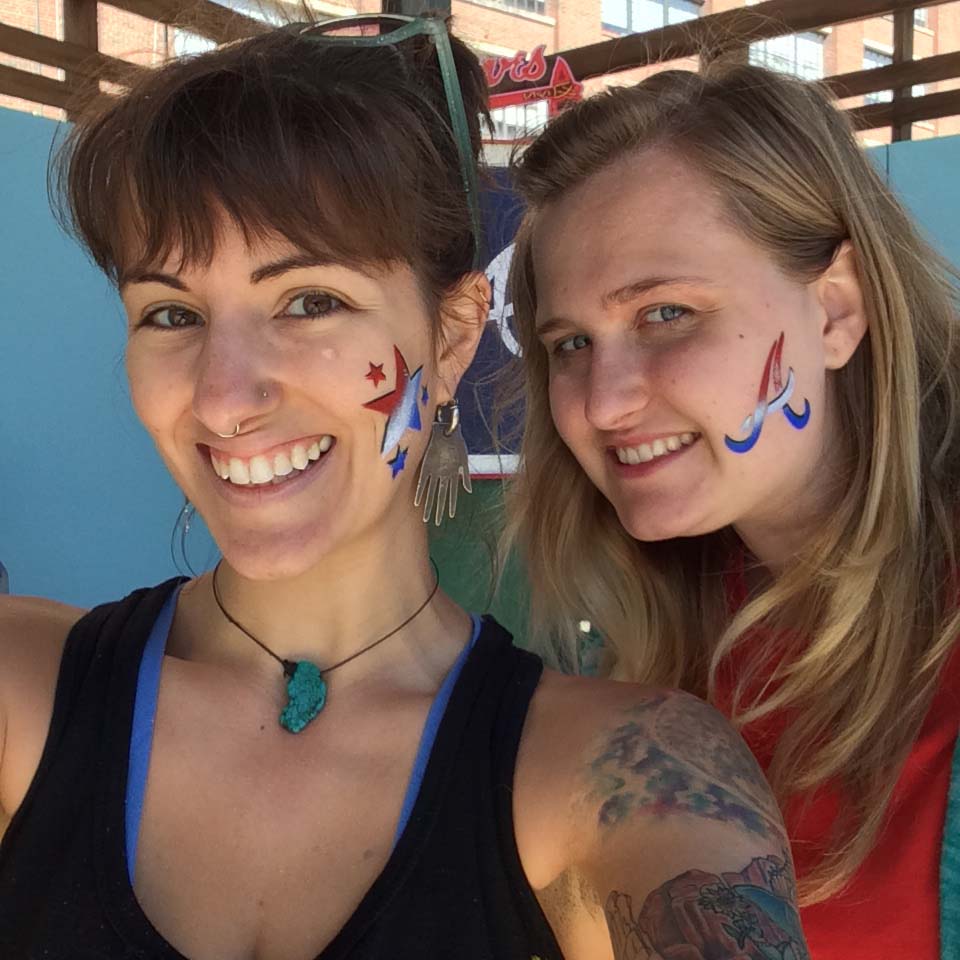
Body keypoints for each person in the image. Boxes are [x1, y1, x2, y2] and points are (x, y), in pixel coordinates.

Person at [0, 17, 809, 960]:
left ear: (455, 335)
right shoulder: (20, 690)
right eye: (171, 314)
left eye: (311, 302)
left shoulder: (619, 782)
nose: (222, 399)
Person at [503, 60, 960, 959]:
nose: (603, 403)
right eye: (571, 343)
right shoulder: (630, 627)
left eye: (667, 313)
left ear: (835, 312)